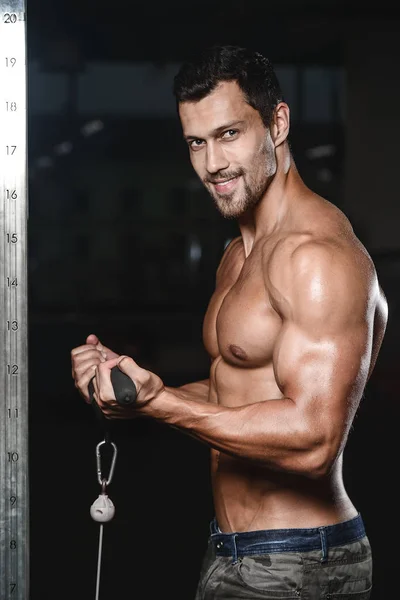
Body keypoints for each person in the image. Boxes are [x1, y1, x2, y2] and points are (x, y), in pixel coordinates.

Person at [71, 45, 388, 599]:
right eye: (196, 142)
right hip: (233, 551)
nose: (212, 162)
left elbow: (314, 439)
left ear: (278, 123)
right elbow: (234, 393)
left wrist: (160, 404)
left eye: (229, 135)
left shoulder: (315, 256)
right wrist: (132, 387)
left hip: (298, 563)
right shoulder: (238, 253)